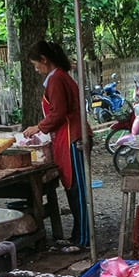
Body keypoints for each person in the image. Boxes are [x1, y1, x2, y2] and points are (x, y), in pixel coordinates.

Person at [23, 40, 89, 252]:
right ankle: (78, 236)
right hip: (66, 137)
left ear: (44, 59)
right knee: (72, 188)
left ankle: (83, 239)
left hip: (71, 137)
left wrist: (38, 127)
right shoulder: (58, 77)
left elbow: (58, 113)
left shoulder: (57, 79)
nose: (36, 69)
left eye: (36, 65)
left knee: (76, 189)